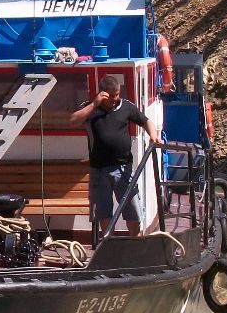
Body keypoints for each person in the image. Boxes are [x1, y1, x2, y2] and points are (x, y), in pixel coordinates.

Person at [68, 73, 162, 237]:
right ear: (102, 93)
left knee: (133, 211)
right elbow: (73, 121)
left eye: (117, 95)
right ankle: (108, 245)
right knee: (103, 213)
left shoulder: (126, 106)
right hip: (99, 170)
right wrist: (94, 104)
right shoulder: (90, 107)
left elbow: (146, 121)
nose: (114, 99)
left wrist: (153, 135)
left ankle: (135, 244)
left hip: (123, 167)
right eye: (110, 96)